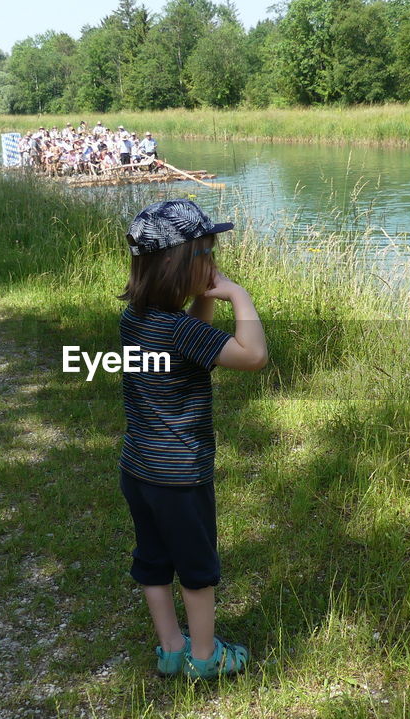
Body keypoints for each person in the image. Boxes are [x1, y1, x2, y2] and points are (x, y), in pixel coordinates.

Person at [116, 199, 267, 679]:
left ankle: (172, 649)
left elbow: (194, 343)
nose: (214, 263)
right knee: (197, 572)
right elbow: (252, 356)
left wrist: (203, 296)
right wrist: (238, 296)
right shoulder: (179, 331)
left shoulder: (136, 322)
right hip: (181, 476)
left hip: (138, 469)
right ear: (180, 265)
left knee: (153, 563)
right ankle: (205, 659)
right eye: (206, 253)